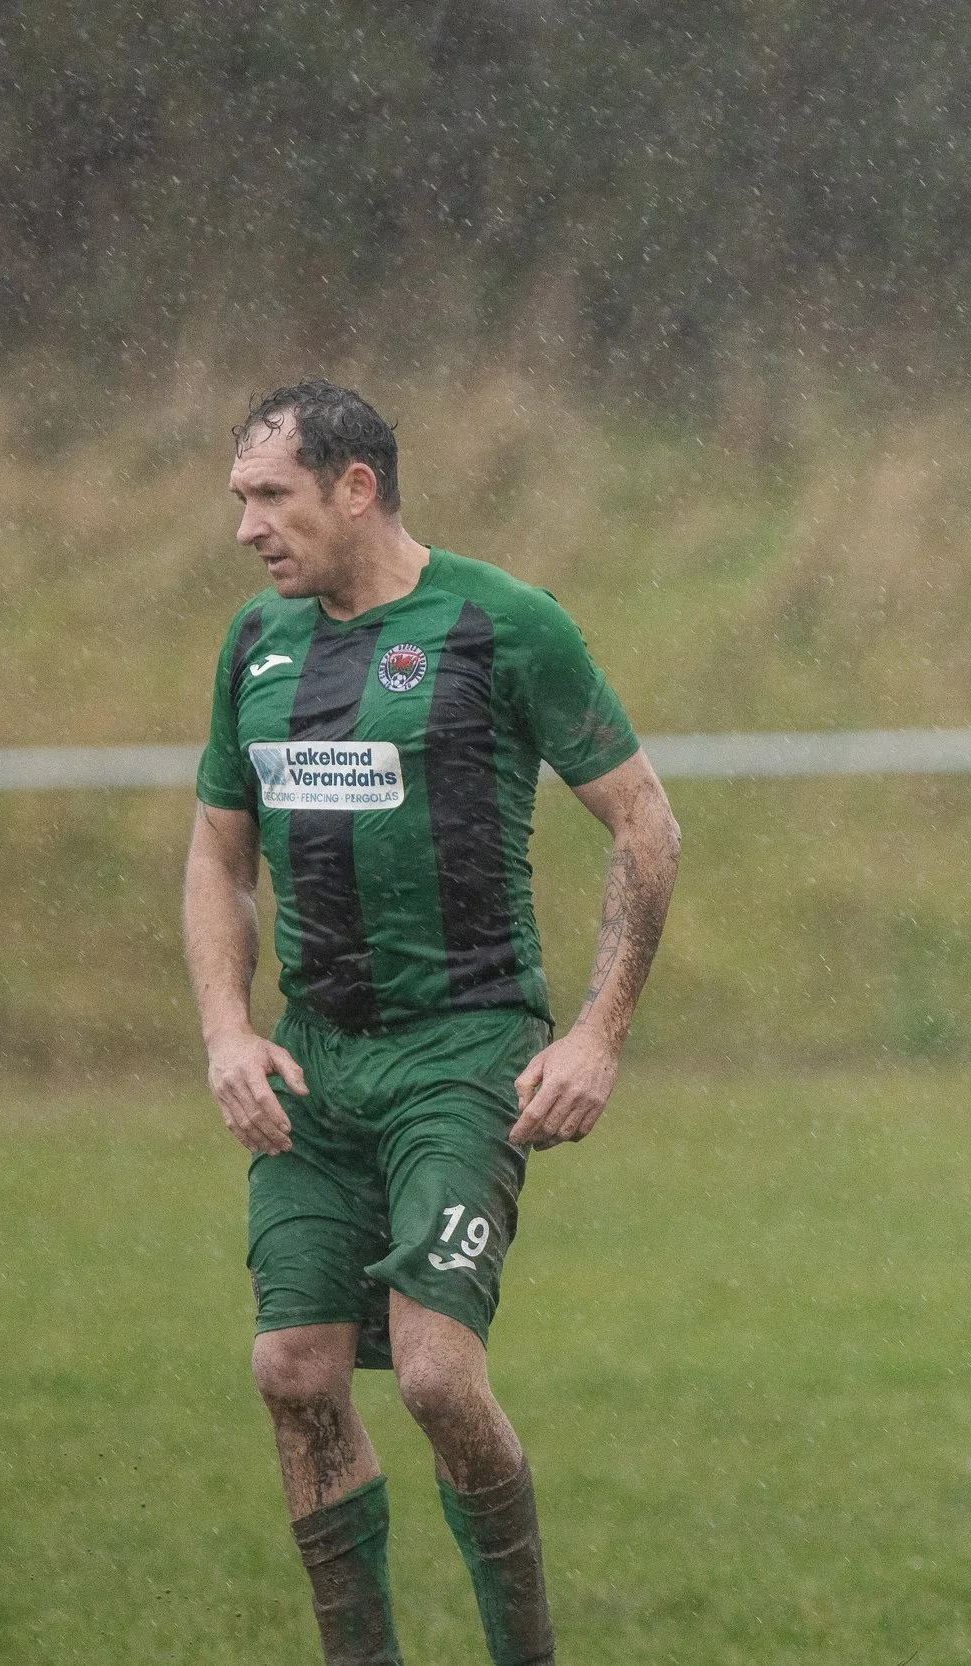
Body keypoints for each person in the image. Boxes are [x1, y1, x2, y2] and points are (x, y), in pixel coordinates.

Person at [182, 380, 680, 1666]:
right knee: (292, 1370)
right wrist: (229, 1033)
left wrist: (595, 1035)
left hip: (464, 1054)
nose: (245, 529)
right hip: (319, 1063)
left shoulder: (502, 623)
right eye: (240, 500)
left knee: (436, 1378)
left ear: (357, 488)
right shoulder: (255, 646)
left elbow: (644, 822)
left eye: (269, 496)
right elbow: (219, 854)